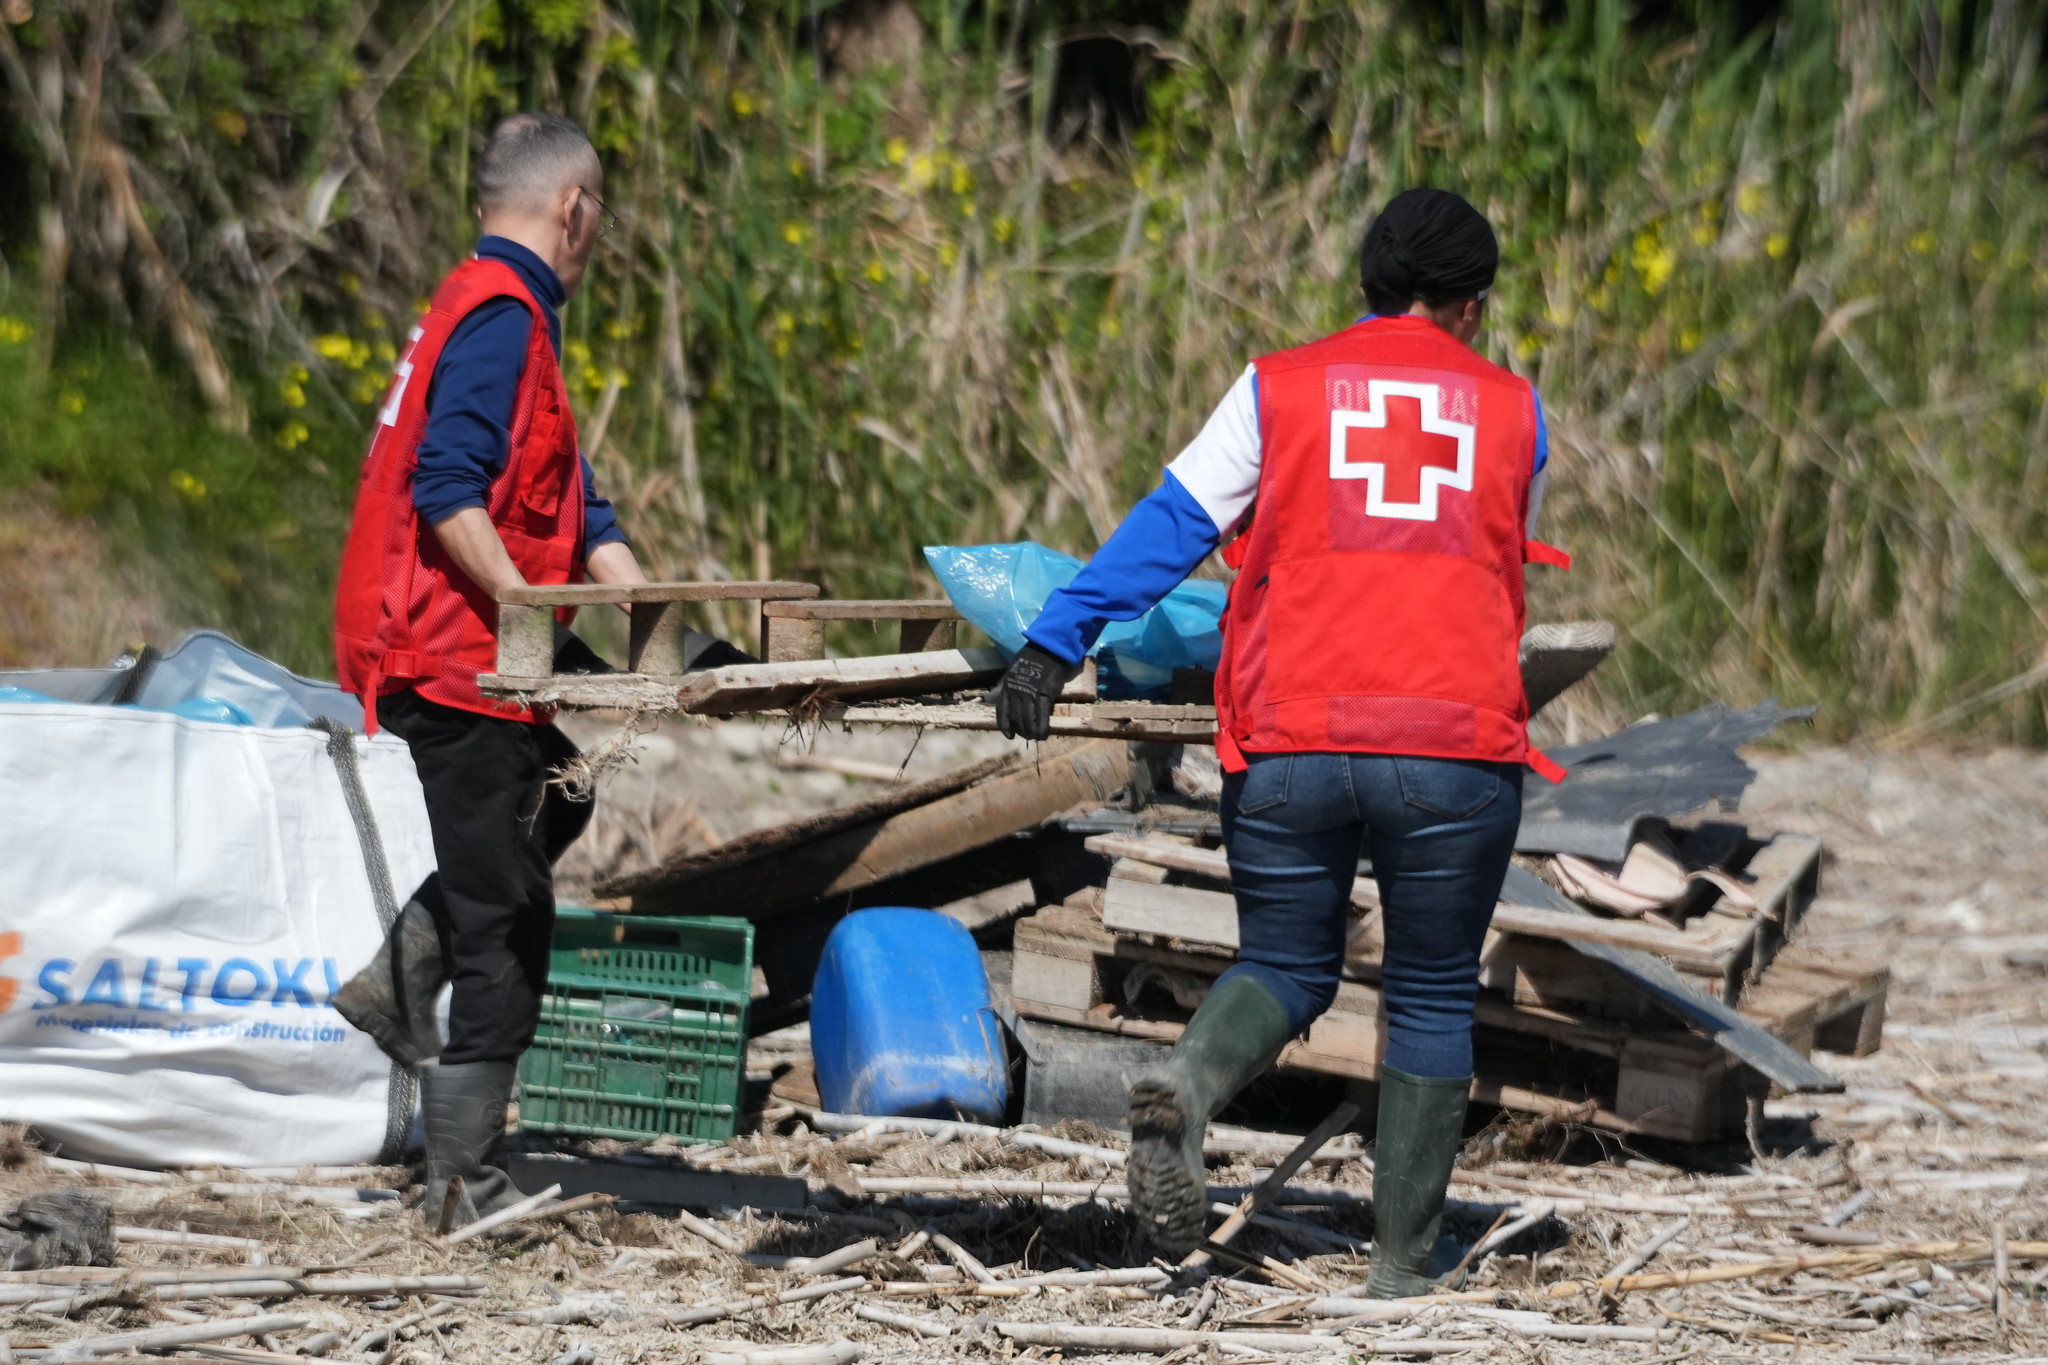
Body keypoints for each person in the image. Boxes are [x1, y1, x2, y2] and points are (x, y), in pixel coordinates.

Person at [989, 188, 1564, 1297]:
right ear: (1473, 306)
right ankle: (1399, 1274)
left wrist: (1049, 646)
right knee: (1434, 992)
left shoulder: (1277, 388)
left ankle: (1189, 1094)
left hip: (1294, 737)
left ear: (1363, 287)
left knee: (1286, 964)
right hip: (1451, 742)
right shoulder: (1513, 409)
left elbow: (1170, 525)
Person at [331, 112, 651, 1225]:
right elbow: (449, 487)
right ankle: (463, 1183)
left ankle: (402, 975)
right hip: (456, 655)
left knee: (564, 789)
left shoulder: (487, 305)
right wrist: (527, 606)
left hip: (473, 646)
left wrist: (626, 583)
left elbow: (566, 487)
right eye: (597, 214)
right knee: (508, 916)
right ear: (574, 209)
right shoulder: (503, 318)